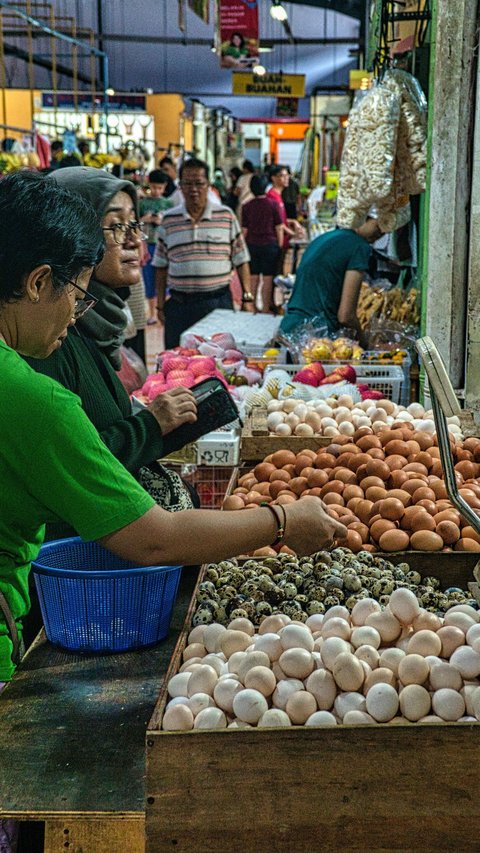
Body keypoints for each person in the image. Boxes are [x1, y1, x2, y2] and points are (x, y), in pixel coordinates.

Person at [0, 170, 346, 687]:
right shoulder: (34, 398)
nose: (77, 312)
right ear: (36, 281)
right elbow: (155, 540)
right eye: (77, 290)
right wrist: (282, 520)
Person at [25, 165, 199, 518]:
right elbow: (69, 468)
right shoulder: (47, 338)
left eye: (135, 224)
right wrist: (150, 426)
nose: (135, 239)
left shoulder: (98, 327)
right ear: (73, 234)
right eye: (117, 225)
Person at [153, 157, 254, 348]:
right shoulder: (169, 220)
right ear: (180, 186)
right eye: (188, 184)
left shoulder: (225, 216)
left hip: (218, 304)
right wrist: (159, 304)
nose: (193, 189)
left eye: (199, 183)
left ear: (208, 185)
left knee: (221, 363)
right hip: (179, 305)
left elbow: (241, 260)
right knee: (178, 365)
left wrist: (247, 298)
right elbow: (160, 266)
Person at [279, 217, 383, 341]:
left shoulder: (324, 238)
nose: (381, 232)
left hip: (289, 328)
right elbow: (346, 316)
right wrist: (364, 344)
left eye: (386, 230)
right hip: (317, 336)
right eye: (378, 225)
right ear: (363, 217)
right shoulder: (359, 246)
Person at [241, 174, 283, 314]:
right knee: (267, 279)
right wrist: (280, 245)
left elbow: (244, 230)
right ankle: (265, 308)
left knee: (253, 279)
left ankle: (252, 307)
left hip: (252, 246)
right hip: (270, 246)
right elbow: (279, 227)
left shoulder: (246, 206)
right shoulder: (273, 204)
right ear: (266, 187)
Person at [139, 169, 173, 324]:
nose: (156, 191)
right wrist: (144, 219)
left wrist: (161, 221)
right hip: (147, 245)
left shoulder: (168, 203)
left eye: (160, 188)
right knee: (149, 279)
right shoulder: (142, 203)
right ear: (149, 185)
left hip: (163, 245)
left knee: (164, 279)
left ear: (165, 187)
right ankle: (152, 313)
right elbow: (135, 223)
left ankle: (164, 309)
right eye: (154, 187)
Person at [266, 164, 304, 274]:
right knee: (276, 272)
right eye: (283, 176)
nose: (286, 178)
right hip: (277, 241)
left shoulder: (278, 195)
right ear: (274, 178)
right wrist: (294, 234)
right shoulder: (272, 196)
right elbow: (277, 223)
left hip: (283, 240)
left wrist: (293, 221)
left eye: (287, 175)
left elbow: (281, 220)